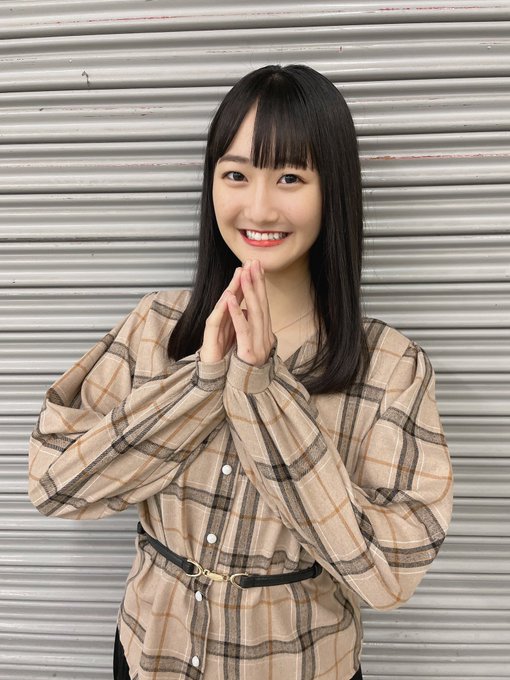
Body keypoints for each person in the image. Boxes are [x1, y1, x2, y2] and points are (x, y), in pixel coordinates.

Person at [28, 64, 454, 680]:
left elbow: (390, 574)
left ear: (332, 189)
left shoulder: (392, 366)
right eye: (235, 174)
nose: (259, 206)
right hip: (150, 653)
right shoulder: (156, 326)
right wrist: (201, 384)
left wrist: (262, 392)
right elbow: (54, 484)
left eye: (290, 177)